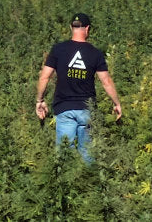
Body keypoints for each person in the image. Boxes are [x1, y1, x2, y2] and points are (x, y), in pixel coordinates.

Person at [35, 12, 122, 163]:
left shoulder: (58, 49)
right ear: (87, 29)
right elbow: (106, 81)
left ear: (71, 28)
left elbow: (44, 77)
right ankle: (89, 183)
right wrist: (116, 103)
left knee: (64, 155)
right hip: (86, 109)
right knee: (87, 153)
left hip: (64, 109)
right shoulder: (95, 53)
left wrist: (40, 100)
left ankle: (65, 185)